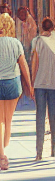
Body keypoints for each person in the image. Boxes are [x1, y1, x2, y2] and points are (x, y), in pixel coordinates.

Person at [0, 12, 33, 171]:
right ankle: (5, 145)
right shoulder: (16, 43)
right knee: (8, 119)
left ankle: (2, 155)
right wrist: (30, 86)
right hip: (12, 82)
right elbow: (24, 66)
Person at [31, 16, 55, 161]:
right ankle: (53, 150)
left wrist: (32, 82)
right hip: (54, 84)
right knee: (53, 117)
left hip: (40, 84)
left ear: (42, 27)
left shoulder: (38, 41)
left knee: (40, 117)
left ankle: (39, 152)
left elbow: (35, 63)